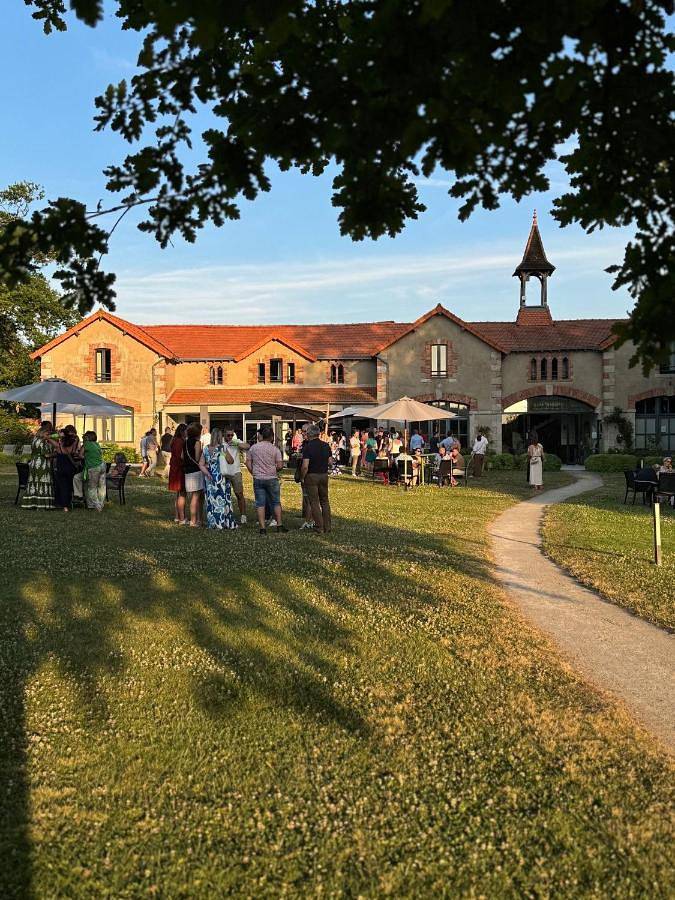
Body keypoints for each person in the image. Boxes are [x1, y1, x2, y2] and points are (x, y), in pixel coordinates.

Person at [246, 424, 287, 534]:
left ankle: (262, 528)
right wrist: (274, 470)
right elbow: (280, 465)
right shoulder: (275, 449)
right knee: (276, 502)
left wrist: (253, 472)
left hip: (258, 478)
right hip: (272, 478)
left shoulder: (253, 448)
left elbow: (248, 462)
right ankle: (279, 525)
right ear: (271, 437)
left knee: (260, 503)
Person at [198, 428, 238, 530]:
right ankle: (223, 522)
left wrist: (207, 473)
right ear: (220, 437)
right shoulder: (221, 448)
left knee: (211, 500)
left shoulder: (206, 448)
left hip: (209, 477)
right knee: (223, 499)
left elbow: (201, 464)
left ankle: (213, 523)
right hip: (221, 477)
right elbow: (230, 461)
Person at [301, 423, 332, 533]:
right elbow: (330, 462)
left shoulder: (308, 447)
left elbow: (305, 466)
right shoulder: (326, 445)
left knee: (314, 501)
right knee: (325, 500)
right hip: (324, 475)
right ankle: (327, 526)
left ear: (309, 434)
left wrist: (302, 477)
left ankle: (319, 526)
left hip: (312, 475)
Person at [22, 421, 57, 510]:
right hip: (42, 463)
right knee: (43, 481)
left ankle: (32, 502)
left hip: (34, 462)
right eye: (48, 434)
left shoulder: (35, 439)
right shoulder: (43, 441)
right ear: (44, 433)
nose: (49, 435)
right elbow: (46, 455)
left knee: (34, 482)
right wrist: (55, 454)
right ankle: (42, 503)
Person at [74, 431, 107, 511]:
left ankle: (97, 506)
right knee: (101, 487)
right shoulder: (97, 444)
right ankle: (100, 504)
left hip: (93, 468)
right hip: (102, 466)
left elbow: (80, 455)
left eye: (84, 437)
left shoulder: (86, 444)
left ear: (87, 438)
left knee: (92, 488)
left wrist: (85, 457)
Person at [222, 429, 249, 524]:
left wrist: (236, 443)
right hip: (224, 472)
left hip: (235, 471)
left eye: (232, 435)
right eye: (228, 435)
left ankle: (243, 515)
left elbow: (247, 446)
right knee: (223, 495)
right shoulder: (221, 442)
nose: (230, 437)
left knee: (239, 494)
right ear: (224, 435)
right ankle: (224, 515)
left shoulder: (236, 441)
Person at [54, 424, 82, 511]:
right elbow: (73, 451)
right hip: (70, 465)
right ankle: (68, 502)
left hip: (61, 463)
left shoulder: (60, 442)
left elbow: (48, 439)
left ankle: (62, 504)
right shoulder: (74, 440)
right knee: (69, 484)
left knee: (62, 484)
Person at [184, 421, 205, 526]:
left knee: (194, 496)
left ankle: (197, 520)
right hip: (196, 471)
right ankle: (194, 520)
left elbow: (182, 456)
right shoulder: (197, 443)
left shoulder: (185, 442)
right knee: (196, 496)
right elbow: (197, 458)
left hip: (187, 471)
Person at [168, 423, 187, 524]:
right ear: (182, 431)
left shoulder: (174, 440)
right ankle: (181, 517)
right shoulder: (180, 441)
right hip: (179, 469)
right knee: (182, 493)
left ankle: (177, 516)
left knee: (178, 494)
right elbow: (181, 456)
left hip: (174, 468)